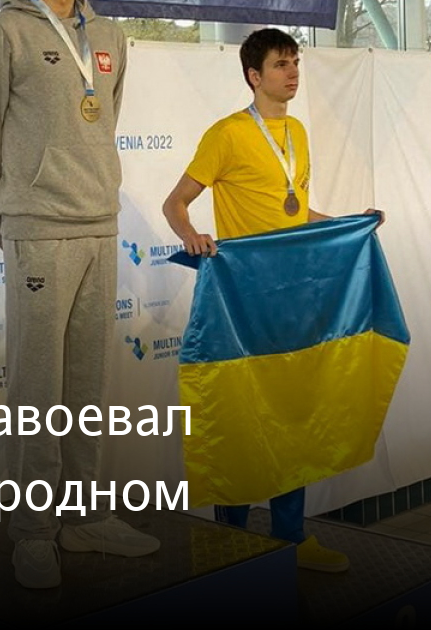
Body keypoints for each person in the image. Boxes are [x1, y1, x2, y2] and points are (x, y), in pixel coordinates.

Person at [161, 27, 384, 573]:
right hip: (240, 301)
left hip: (293, 295)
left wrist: (348, 224)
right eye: (281, 65)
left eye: (295, 62)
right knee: (239, 418)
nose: (293, 73)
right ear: (253, 76)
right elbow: (175, 203)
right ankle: (230, 544)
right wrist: (191, 234)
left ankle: (291, 538)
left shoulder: (298, 133)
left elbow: (295, 212)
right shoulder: (227, 135)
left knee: (293, 415)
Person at [0, 0, 160, 589]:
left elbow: (102, 123)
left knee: (87, 384)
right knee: (38, 386)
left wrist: (96, 186)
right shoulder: (5, 32)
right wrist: (2, 220)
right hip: (38, 227)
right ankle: (33, 530)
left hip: (100, 221)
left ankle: (84, 517)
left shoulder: (109, 34)